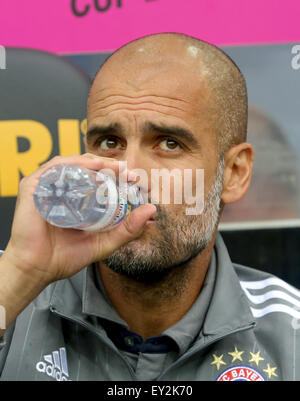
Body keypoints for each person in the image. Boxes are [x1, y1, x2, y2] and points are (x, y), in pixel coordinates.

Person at [0, 33, 299, 382]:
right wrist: (20, 274)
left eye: (169, 144)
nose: (130, 175)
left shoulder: (288, 334)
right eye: (109, 142)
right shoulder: (14, 290)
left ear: (234, 173)